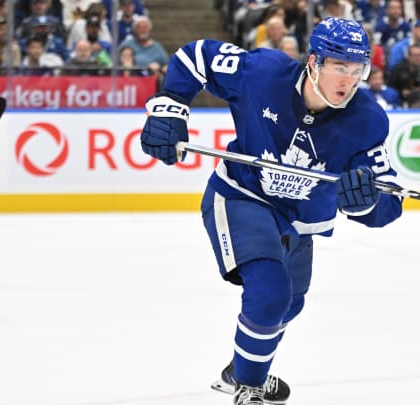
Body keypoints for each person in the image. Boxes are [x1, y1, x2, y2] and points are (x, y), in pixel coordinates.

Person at [139, 17, 403, 404]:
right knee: (270, 294)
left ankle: (241, 370)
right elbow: (194, 56)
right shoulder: (261, 73)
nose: (348, 80)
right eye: (339, 67)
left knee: (288, 306)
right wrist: (170, 106)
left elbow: (388, 203)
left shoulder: (367, 120)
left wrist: (366, 203)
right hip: (241, 194)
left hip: (301, 221)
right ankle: (250, 390)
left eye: (357, 69)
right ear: (314, 62)